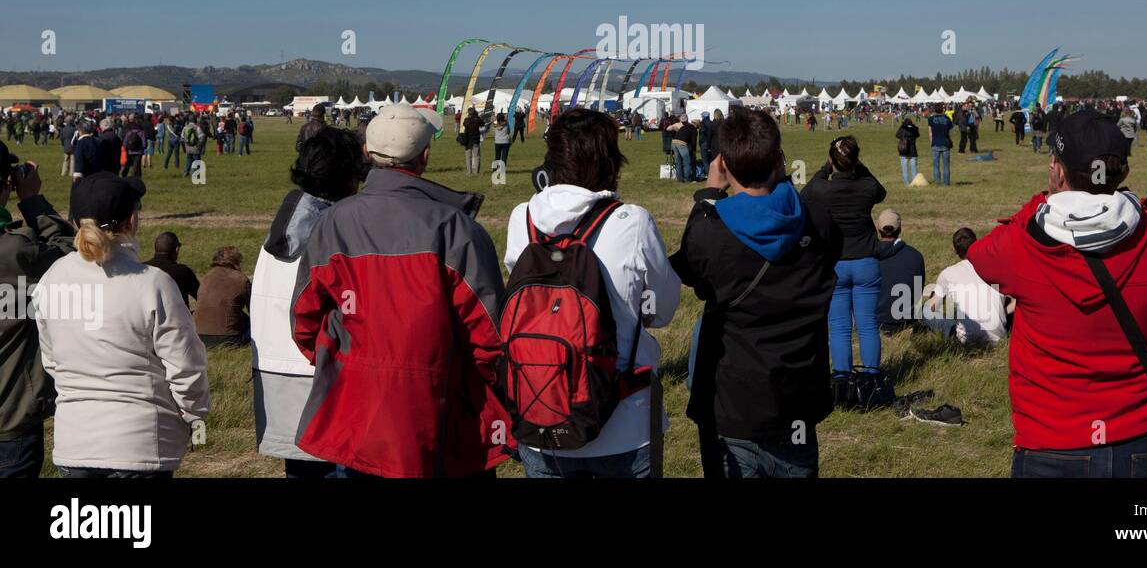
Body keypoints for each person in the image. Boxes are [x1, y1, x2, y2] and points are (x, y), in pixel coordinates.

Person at [292, 102, 512, 478]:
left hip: (358, 417)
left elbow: (304, 319)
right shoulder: (457, 229)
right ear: (424, 157)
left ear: (367, 154)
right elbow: (491, 336)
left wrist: (350, 364)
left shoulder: (332, 223)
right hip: (444, 420)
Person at [965, 109, 1147, 478]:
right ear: (1124, 173)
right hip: (1143, 440)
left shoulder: (1019, 247)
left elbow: (979, 255)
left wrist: (1043, 201)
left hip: (1052, 443)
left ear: (1058, 171)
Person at [504, 109, 680, 478]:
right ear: (611, 161)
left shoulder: (522, 217)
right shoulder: (631, 221)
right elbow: (663, 311)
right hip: (624, 424)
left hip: (541, 415)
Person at [670, 108, 838, 478]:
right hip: (795, 401)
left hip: (732, 405)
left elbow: (686, 269)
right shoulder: (818, 221)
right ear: (779, 161)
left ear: (724, 165)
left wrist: (710, 194)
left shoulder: (711, 230)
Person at [35, 171, 210, 477]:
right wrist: (193, 416)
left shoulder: (51, 279)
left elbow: (52, 361)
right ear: (132, 220)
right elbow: (186, 366)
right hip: (140, 446)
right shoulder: (153, 284)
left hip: (74, 444)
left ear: (74, 221)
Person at [252, 127, 366, 478]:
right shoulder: (338, 235)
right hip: (329, 381)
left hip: (278, 380)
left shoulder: (282, 231)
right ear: (349, 178)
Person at [0, 144, 74, 477]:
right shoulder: (15, 250)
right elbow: (70, 254)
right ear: (6, 184)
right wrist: (31, 200)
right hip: (10, 420)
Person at [801, 136, 887, 399]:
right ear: (856, 160)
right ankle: (872, 379)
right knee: (867, 324)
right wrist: (858, 167)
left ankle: (842, 381)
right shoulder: (866, 188)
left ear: (832, 160)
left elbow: (805, 193)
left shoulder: (822, 191)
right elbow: (880, 190)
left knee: (838, 327)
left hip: (835, 263)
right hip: (866, 262)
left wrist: (826, 168)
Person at [924, 228, 1009, 345]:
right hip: (999, 336)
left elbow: (933, 307)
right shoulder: (998, 266)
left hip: (967, 340)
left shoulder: (948, 273)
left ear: (954, 250)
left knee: (924, 311)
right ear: (977, 244)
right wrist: (1003, 312)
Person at [875, 209, 926, 334]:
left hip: (873, 321)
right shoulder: (915, 256)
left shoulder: (868, 256)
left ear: (878, 228)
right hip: (906, 321)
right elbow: (918, 291)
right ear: (900, 228)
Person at [194, 247, 252, 347]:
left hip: (199, 337)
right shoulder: (241, 279)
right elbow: (255, 311)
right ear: (236, 261)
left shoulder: (206, 277)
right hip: (229, 339)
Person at [145, 231, 200, 308]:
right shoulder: (183, 272)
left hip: (145, 318)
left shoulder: (142, 269)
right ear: (177, 249)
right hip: (177, 319)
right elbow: (202, 298)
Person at [927, 104, 953, 186]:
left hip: (935, 143)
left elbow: (930, 132)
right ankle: (946, 183)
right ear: (942, 109)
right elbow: (949, 132)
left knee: (936, 165)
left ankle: (937, 182)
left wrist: (931, 143)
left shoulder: (931, 119)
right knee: (946, 165)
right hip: (945, 143)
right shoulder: (947, 118)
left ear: (934, 110)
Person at [895, 115, 919, 184]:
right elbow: (917, 134)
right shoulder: (914, 129)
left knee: (904, 169)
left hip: (903, 150)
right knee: (914, 168)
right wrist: (913, 125)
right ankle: (915, 182)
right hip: (913, 151)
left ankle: (906, 183)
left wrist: (902, 126)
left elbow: (897, 135)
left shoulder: (902, 130)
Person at [461, 106, 483, 174]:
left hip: (468, 141)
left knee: (468, 157)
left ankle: (469, 171)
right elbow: (482, 124)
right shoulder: (477, 119)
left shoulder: (466, 120)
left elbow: (464, 125)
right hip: (476, 140)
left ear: (468, 113)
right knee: (476, 156)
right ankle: (476, 171)